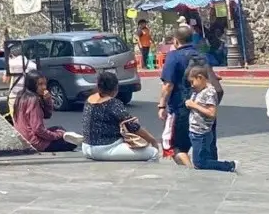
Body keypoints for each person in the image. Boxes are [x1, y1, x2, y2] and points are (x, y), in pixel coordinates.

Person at [158, 24, 222, 166]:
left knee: (177, 147)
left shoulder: (173, 57)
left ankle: (191, 171)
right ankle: (210, 169)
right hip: (203, 107)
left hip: (181, 107)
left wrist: (162, 105)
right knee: (207, 147)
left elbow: (168, 85)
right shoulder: (201, 55)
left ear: (175, 40)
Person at [80, 70, 160, 161]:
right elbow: (133, 127)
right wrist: (152, 140)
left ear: (98, 86)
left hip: (86, 147)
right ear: (116, 88)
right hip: (106, 149)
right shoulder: (113, 103)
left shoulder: (89, 99)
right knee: (153, 152)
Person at [185, 65, 237, 172]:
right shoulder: (198, 90)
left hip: (202, 133)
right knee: (202, 158)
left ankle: (228, 165)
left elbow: (211, 112)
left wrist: (194, 105)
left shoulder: (209, 92)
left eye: (192, 82)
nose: (191, 85)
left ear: (200, 78)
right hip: (195, 131)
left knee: (200, 162)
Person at [12, 71, 77, 152]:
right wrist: (57, 135)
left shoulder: (21, 96)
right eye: (40, 84)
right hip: (34, 142)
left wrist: (47, 100)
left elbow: (47, 115)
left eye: (45, 84)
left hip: (24, 138)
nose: (44, 87)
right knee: (71, 142)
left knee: (59, 128)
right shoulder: (33, 100)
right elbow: (38, 129)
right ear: (32, 85)